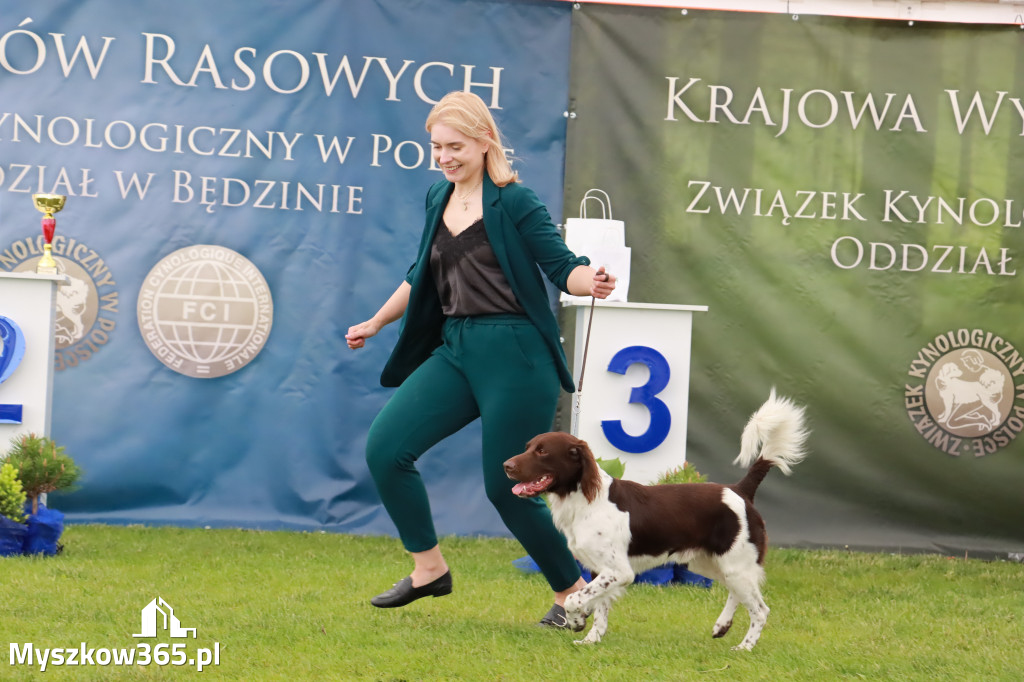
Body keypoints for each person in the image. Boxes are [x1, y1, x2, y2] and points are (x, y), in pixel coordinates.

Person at [346, 90, 616, 628]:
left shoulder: (514, 201)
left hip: (517, 354)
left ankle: (572, 592)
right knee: (386, 448)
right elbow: (418, 273)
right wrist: (378, 321)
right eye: (436, 146)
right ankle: (428, 569)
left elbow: (563, 267)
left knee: (506, 487)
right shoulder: (435, 198)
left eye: (455, 146)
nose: (444, 156)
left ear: (484, 142)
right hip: (458, 347)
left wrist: (594, 280)